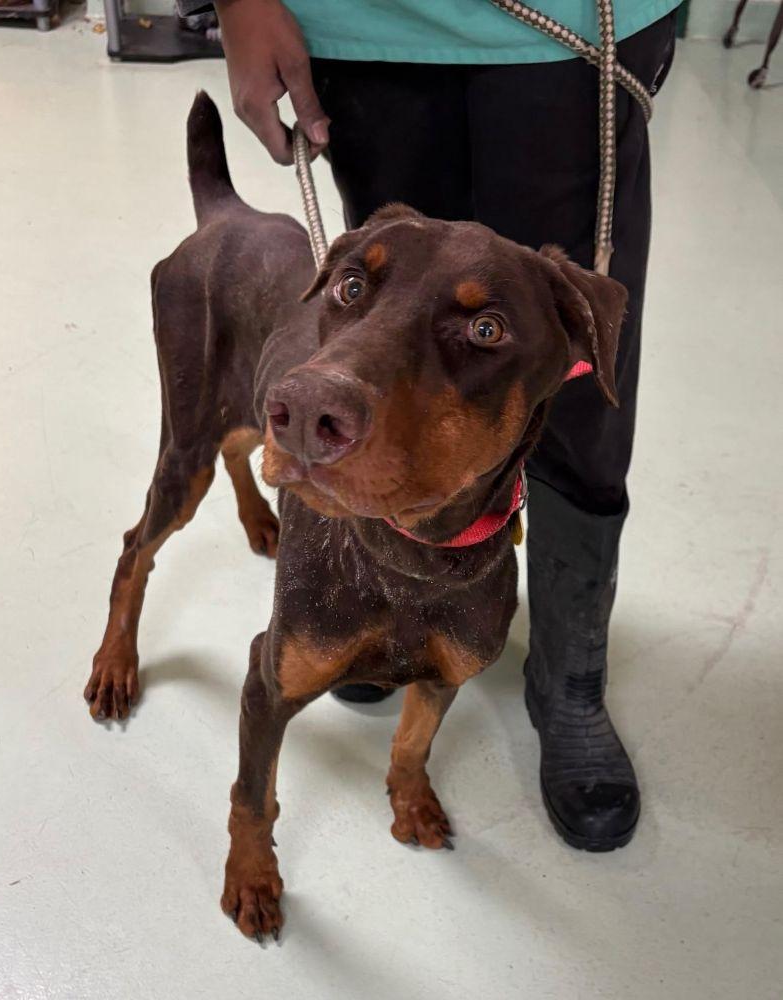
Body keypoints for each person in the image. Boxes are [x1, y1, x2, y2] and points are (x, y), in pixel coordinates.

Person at [177, 0, 680, 852]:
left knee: (570, 389)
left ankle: (569, 673)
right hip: (373, 22)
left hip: (575, 28)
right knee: (393, 315)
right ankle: (367, 607)